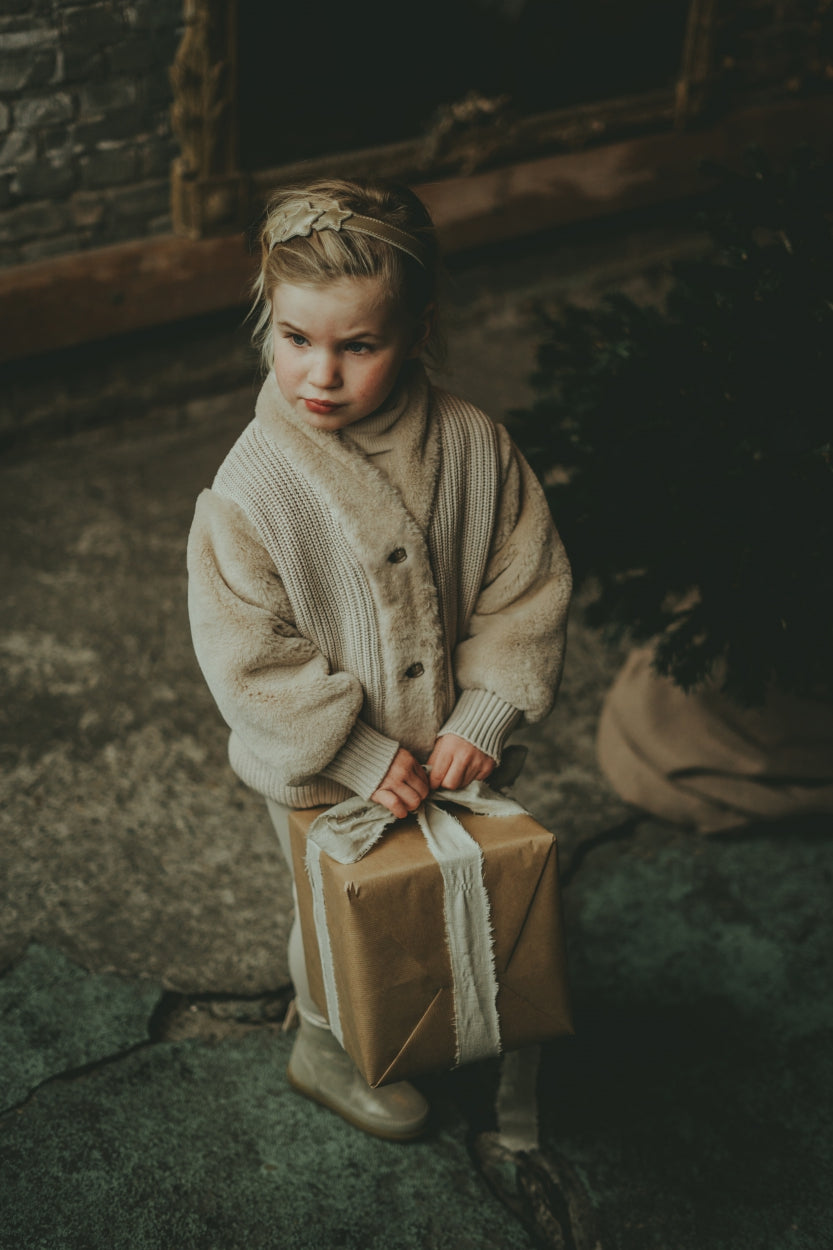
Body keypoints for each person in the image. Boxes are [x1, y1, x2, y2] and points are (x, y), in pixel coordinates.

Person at [187, 177, 571, 1142]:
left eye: (357, 345)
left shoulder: (476, 449)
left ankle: (435, 1013)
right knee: (334, 917)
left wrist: (482, 715)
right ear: (266, 323)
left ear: (417, 331)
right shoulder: (249, 495)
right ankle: (326, 1044)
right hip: (326, 775)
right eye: (294, 339)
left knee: (441, 899)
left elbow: (523, 585)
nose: (320, 373)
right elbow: (249, 658)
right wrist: (356, 753)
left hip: (453, 748)